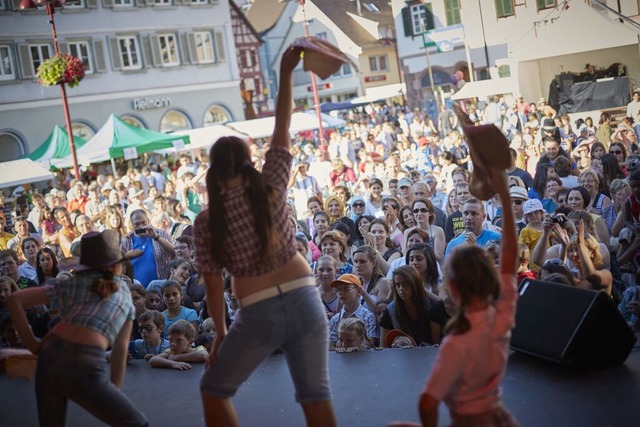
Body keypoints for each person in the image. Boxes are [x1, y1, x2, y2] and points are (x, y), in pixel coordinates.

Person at [193, 46, 336, 427]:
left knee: (214, 389)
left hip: (257, 313)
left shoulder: (207, 220)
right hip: (305, 298)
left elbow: (211, 284)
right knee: (316, 399)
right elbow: (282, 126)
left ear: (214, 172)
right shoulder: (271, 186)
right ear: (247, 161)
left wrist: (221, 335)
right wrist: (287, 72)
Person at [399, 168, 518, 427]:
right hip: (500, 416)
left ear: (451, 289)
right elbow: (510, 258)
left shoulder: (456, 343)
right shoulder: (502, 317)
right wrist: (505, 199)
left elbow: (428, 401)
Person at [6, 230, 148, 426]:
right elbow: (119, 351)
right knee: (135, 423)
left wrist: (32, 344)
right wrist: (112, 389)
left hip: (49, 355)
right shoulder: (123, 291)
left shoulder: (70, 284)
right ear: (117, 266)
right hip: (84, 361)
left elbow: (14, 300)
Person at [379, 265, 440, 348]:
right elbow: (383, 347)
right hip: (402, 357)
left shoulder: (432, 307)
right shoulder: (390, 311)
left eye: (406, 284)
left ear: (415, 283)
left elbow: (437, 345)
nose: (401, 289)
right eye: (397, 285)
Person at [120, 209, 175, 288]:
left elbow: (173, 252)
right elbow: (121, 264)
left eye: (144, 223)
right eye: (137, 224)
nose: (141, 226)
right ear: (132, 225)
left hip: (161, 285)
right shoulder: (127, 240)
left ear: (148, 221)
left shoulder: (161, 234)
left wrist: (156, 237)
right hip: (137, 289)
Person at [327, 274, 379, 349]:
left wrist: (341, 345)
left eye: (346, 288)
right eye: (338, 290)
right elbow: (330, 346)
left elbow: (369, 342)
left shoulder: (368, 317)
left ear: (359, 291)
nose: (341, 292)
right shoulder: (335, 319)